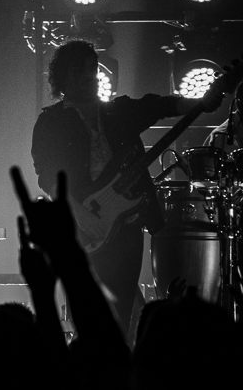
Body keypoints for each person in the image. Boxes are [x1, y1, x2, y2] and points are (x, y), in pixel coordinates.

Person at [30, 40, 225, 340]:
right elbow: (47, 174)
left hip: (128, 225)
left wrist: (199, 102)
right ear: (63, 77)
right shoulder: (50, 122)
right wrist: (79, 212)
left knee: (121, 311)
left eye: (93, 69)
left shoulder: (118, 112)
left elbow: (159, 106)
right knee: (88, 313)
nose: (89, 76)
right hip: (83, 227)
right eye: (80, 70)